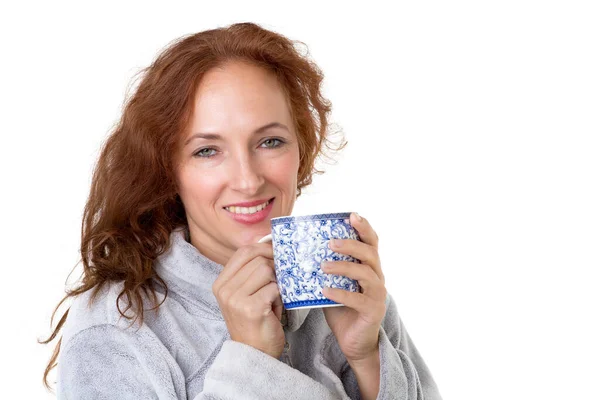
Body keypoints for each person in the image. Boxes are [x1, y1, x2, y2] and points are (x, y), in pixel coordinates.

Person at [40, 22, 442, 400]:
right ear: (168, 170)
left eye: (270, 142)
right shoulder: (115, 328)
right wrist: (251, 362)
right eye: (207, 151)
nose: (248, 181)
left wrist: (367, 358)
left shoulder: (349, 290)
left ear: (301, 149)